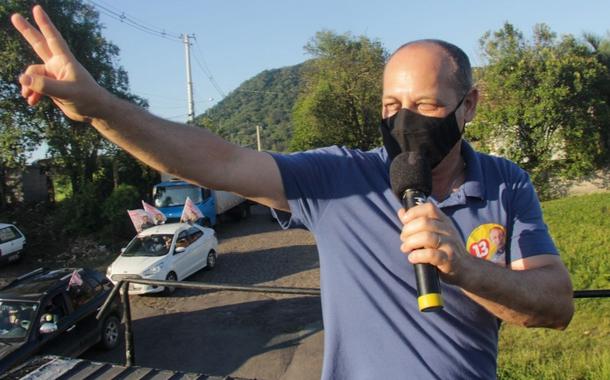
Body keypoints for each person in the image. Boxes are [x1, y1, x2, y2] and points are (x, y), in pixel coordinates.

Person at [11, 6, 574, 379]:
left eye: (426, 106)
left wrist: (465, 271)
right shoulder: (337, 178)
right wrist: (101, 108)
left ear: (468, 105)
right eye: (389, 108)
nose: (405, 123)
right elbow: (217, 160)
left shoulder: (505, 182)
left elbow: (554, 306)